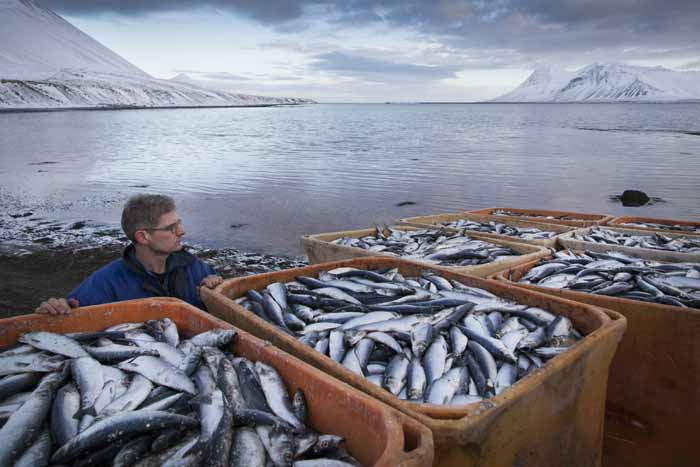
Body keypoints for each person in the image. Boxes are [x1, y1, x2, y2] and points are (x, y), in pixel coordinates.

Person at [35, 194, 223, 314]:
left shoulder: (194, 267)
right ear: (143, 236)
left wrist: (216, 289)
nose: (181, 231)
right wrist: (57, 308)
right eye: (171, 228)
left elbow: (222, 307)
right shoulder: (105, 283)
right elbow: (70, 311)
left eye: (179, 223)